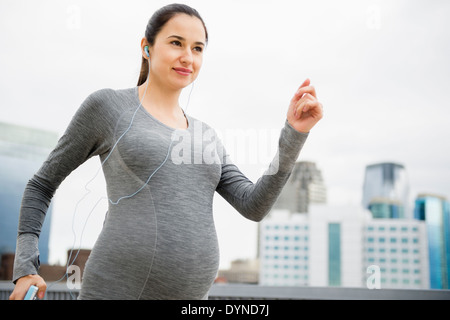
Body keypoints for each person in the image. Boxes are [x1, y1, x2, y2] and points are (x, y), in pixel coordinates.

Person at [9, 3, 323, 300]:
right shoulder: (107, 107)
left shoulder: (206, 136)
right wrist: (25, 266)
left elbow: (253, 205)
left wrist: (294, 134)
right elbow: (42, 184)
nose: (188, 56)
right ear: (147, 47)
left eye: (197, 48)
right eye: (176, 43)